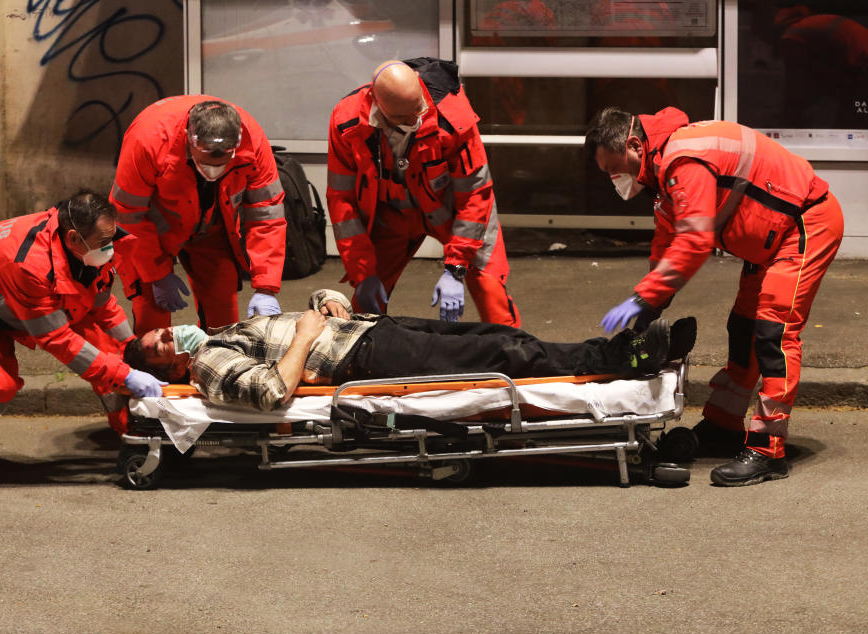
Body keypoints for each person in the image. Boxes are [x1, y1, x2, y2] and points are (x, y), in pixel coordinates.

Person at [585, 106, 844, 487]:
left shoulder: (683, 159)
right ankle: (723, 426)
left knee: (775, 333)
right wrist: (652, 301)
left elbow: (693, 241)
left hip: (804, 223)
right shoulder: (664, 170)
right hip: (770, 238)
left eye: (613, 169)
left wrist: (643, 301)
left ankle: (767, 450)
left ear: (635, 145)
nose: (615, 179)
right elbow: (667, 241)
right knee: (743, 329)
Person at [124, 290, 696, 414]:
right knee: (507, 355)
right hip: (366, 361)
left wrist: (324, 302)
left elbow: (288, 325)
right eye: (163, 345)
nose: (172, 334)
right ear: (170, 366)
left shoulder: (221, 332)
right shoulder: (209, 365)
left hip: (369, 331)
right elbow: (272, 392)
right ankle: (625, 361)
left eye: (164, 330)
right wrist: (303, 337)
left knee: (504, 337)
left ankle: (618, 351)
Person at [0, 190, 168, 489]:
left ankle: (132, 436)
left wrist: (132, 351)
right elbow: (57, 339)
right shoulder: (27, 264)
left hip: (37, 302)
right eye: (103, 243)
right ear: (73, 239)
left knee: (113, 359)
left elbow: (102, 304)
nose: (110, 249)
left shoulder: (91, 243)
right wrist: (126, 373)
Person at [326, 58, 519, 327]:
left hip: (453, 211)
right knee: (364, 309)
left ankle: (517, 364)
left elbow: (475, 194)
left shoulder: (453, 117)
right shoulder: (346, 123)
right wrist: (362, 274)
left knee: (492, 295)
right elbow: (342, 202)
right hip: (392, 214)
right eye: (403, 119)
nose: (415, 120)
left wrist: (455, 267)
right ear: (378, 105)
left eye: (418, 110)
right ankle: (364, 361)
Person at [109, 95, 287, 334]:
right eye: (205, 160)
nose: (214, 170)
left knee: (223, 321)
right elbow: (128, 216)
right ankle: (148, 372)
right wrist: (156, 274)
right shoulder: (148, 139)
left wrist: (266, 287)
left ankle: (214, 365)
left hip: (212, 227)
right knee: (152, 321)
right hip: (151, 230)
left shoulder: (252, 141)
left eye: (224, 161)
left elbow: (268, 214)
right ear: (189, 140)